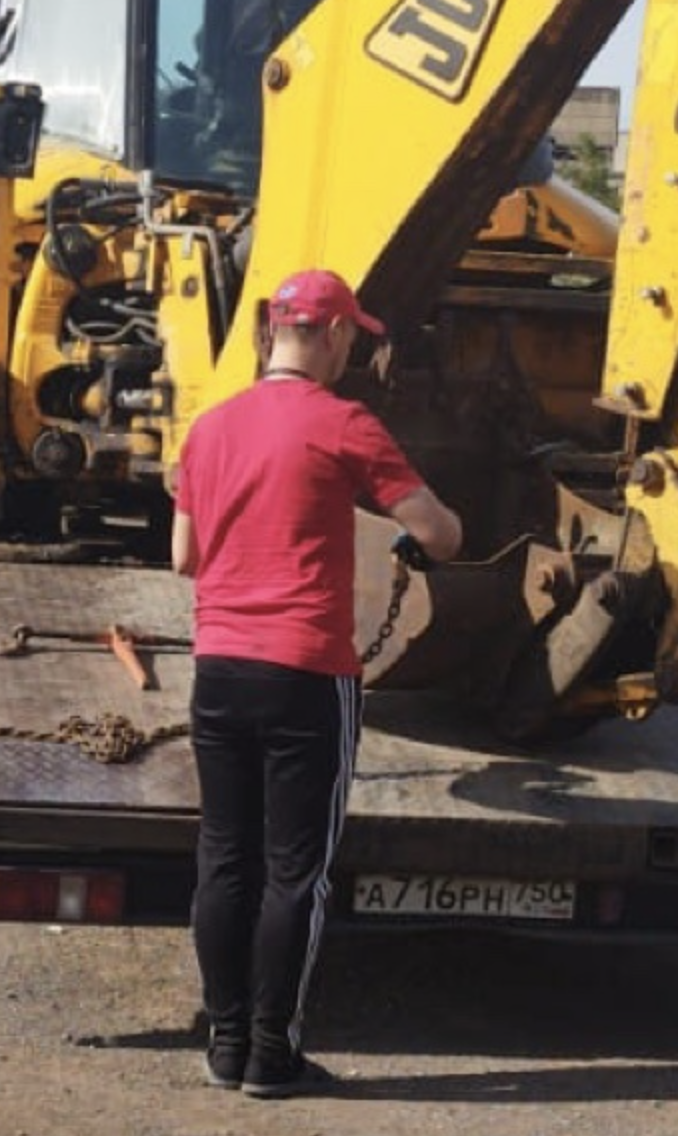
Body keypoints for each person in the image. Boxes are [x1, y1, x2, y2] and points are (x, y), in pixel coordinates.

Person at [169, 268, 462, 1099]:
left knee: (225, 860)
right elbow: (440, 535)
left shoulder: (210, 427)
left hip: (219, 670)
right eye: (352, 340)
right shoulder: (346, 425)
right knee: (297, 872)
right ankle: (272, 1053)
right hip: (304, 677)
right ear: (333, 336)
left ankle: (226, 1046)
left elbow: (183, 558)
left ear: (271, 332)